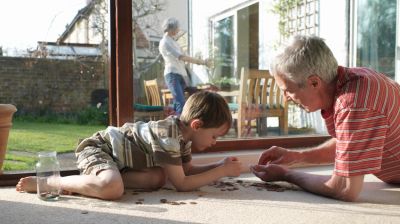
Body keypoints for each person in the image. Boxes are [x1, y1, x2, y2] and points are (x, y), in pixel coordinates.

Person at [250, 35, 400, 202]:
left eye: (288, 90)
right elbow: (350, 143)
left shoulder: (354, 104)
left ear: (314, 82)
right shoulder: (353, 81)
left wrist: (287, 175)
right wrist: (297, 156)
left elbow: (344, 189)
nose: (286, 98)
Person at [16, 91, 241, 200]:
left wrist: (218, 165)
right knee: (112, 189)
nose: (214, 143)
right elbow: (182, 184)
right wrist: (221, 171)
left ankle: (94, 181)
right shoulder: (168, 134)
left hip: (121, 161)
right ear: (197, 125)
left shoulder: (183, 139)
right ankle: (51, 182)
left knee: (158, 178)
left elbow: (187, 172)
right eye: (215, 136)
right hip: (100, 148)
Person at [159, 17, 212, 115]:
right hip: (172, 74)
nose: (178, 30)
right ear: (171, 28)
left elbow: (186, 56)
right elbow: (182, 57)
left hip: (181, 74)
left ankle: (175, 125)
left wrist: (202, 61)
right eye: (177, 28)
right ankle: (181, 126)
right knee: (180, 102)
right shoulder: (165, 42)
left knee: (179, 102)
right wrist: (202, 62)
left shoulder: (174, 42)